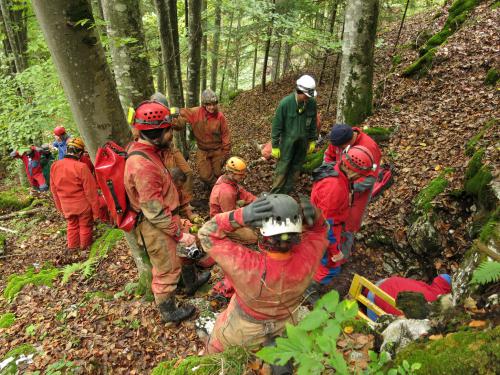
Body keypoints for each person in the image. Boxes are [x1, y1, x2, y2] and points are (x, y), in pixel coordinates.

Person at [198, 194, 329, 353]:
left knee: (216, 347)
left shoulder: (244, 264)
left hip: (243, 330)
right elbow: (321, 230)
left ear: (263, 231)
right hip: (286, 325)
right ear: (298, 229)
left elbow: (206, 233)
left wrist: (240, 216)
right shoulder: (308, 257)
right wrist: (316, 216)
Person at [124, 100, 210, 323]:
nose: (172, 133)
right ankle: (168, 311)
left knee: (183, 252)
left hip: (165, 217)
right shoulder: (144, 166)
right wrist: (180, 233)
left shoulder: (148, 150)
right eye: (169, 129)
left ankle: (190, 282)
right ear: (157, 132)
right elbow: (154, 212)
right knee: (166, 269)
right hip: (155, 225)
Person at [305, 146, 376, 303]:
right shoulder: (334, 188)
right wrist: (334, 250)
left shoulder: (336, 170)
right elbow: (326, 225)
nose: (361, 178)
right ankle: (309, 289)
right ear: (352, 170)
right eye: (360, 174)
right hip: (324, 230)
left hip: (325, 225)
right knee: (330, 265)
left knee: (322, 260)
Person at [324, 124, 382, 232]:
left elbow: (370, 179)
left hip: (357, 193)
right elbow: (328, 157)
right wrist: (327, 176)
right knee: (330, 222)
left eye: (341, 148)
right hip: (335, 187)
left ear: (349, 142)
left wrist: (347, 186)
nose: (339, 149)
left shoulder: (369, 147)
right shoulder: (338, 138)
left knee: (349, 225)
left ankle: (345, 246)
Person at [270, 75, 318, 194]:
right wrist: (275, 146)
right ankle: (275, 194)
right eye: (306, 95)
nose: (308, 98)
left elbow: (312, 123)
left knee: (296, 167)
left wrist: (312, 140)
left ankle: (287, 192)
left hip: (303, 143)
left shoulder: (311, 103)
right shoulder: (285, 104)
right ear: (299, 91)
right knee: (283, 167)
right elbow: (277, 126)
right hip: (287, 142)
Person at [50, 137, 99, 251]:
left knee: (72, 226)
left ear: (67, 150)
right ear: (80, 153)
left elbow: (54, 190)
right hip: (82, 206)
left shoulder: (55, 165)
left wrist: (60, 207)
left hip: (66, 205)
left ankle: (73, 249)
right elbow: (91, 192)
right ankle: (84, 250)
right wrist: (96, 212)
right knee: (85, 226)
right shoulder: (82, 167)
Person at [176, 89, 231, 188]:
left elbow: (225, 134)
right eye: (209, 104)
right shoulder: (195, 113)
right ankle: (218, 187)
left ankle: (219, 190)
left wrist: (225, 152)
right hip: (203, 150)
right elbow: (182, 114)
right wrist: (173, 117)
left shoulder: (220, 117)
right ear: (204, 104)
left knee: (218, 172)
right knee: (205, 175)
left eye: (214, 104)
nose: (212, 107)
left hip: (217, 149)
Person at [209, 156, 257, 245]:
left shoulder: (229, 180)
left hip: (229, 210)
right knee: (252, 237)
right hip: (221, 222)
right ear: (231, 173)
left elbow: (244, 194)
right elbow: (229, 218)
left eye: (243, 174)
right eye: (240, 174)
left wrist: (259, 201)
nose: (243, 176)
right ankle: (224, 237)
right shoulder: (226, 191)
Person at [366, 274, 452, 321]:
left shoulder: (431, 290)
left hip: (381, 285)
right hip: (375, 304)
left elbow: (444, 277)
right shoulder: (430, 316)